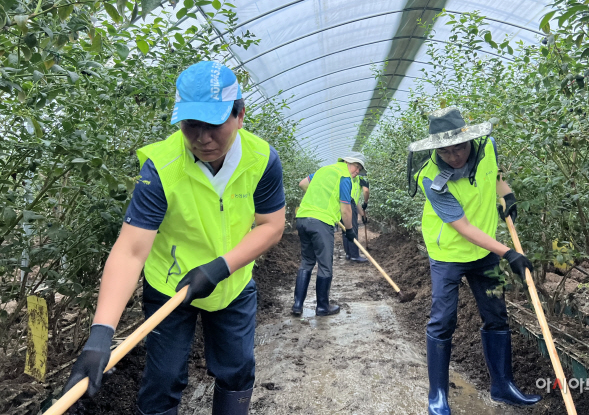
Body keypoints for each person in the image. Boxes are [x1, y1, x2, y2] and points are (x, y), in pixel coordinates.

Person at [63, 61, 286, 415]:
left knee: (237, 368)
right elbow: (131, 249)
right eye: (190, 126)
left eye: (214, 125)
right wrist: (101, 334)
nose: (203, 139)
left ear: (240, 115)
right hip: (170, 285)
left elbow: (271, 225)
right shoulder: (162, 165)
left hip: (231, 283)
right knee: (164, 377)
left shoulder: (262, 159)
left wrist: (219, 268)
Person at [407, 107, 540, 415]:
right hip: (448, 254)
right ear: (435, 149)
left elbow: (494, 174)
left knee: (496, 315)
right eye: (446, 151)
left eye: (460, 148)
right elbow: (463, 228)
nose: (455, 156)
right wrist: (509, 253)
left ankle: (503, 386)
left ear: (471, 140)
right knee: (443, 320)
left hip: (484, 252)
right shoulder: (430, 177)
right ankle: (437, 394)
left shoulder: (487, 146)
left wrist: (507, 194)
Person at [291, 156, 363, 316]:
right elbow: (346, 208)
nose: (357, 171)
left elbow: (302, 184)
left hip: (303, 218)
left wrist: (319, 199)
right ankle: (323, 307)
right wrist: (349, 230)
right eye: (356, 167)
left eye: (359, 169)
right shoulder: (344, 177)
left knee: (307, 261)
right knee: (325, 264)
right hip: (321, 223)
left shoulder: (324, 170)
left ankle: (297, 305)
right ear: (346, 162)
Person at [339, 154, 369, 263]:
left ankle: (349, 254)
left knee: (346, 230)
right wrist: (366, 202)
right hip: (349, 205)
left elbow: (355, 201)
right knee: (352, 230)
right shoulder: (361, 179)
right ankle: (355, 255)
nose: (357, 171)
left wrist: (362, 214)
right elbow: (366, 191)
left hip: (344, 204)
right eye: (357, 168)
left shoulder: (348, 178)